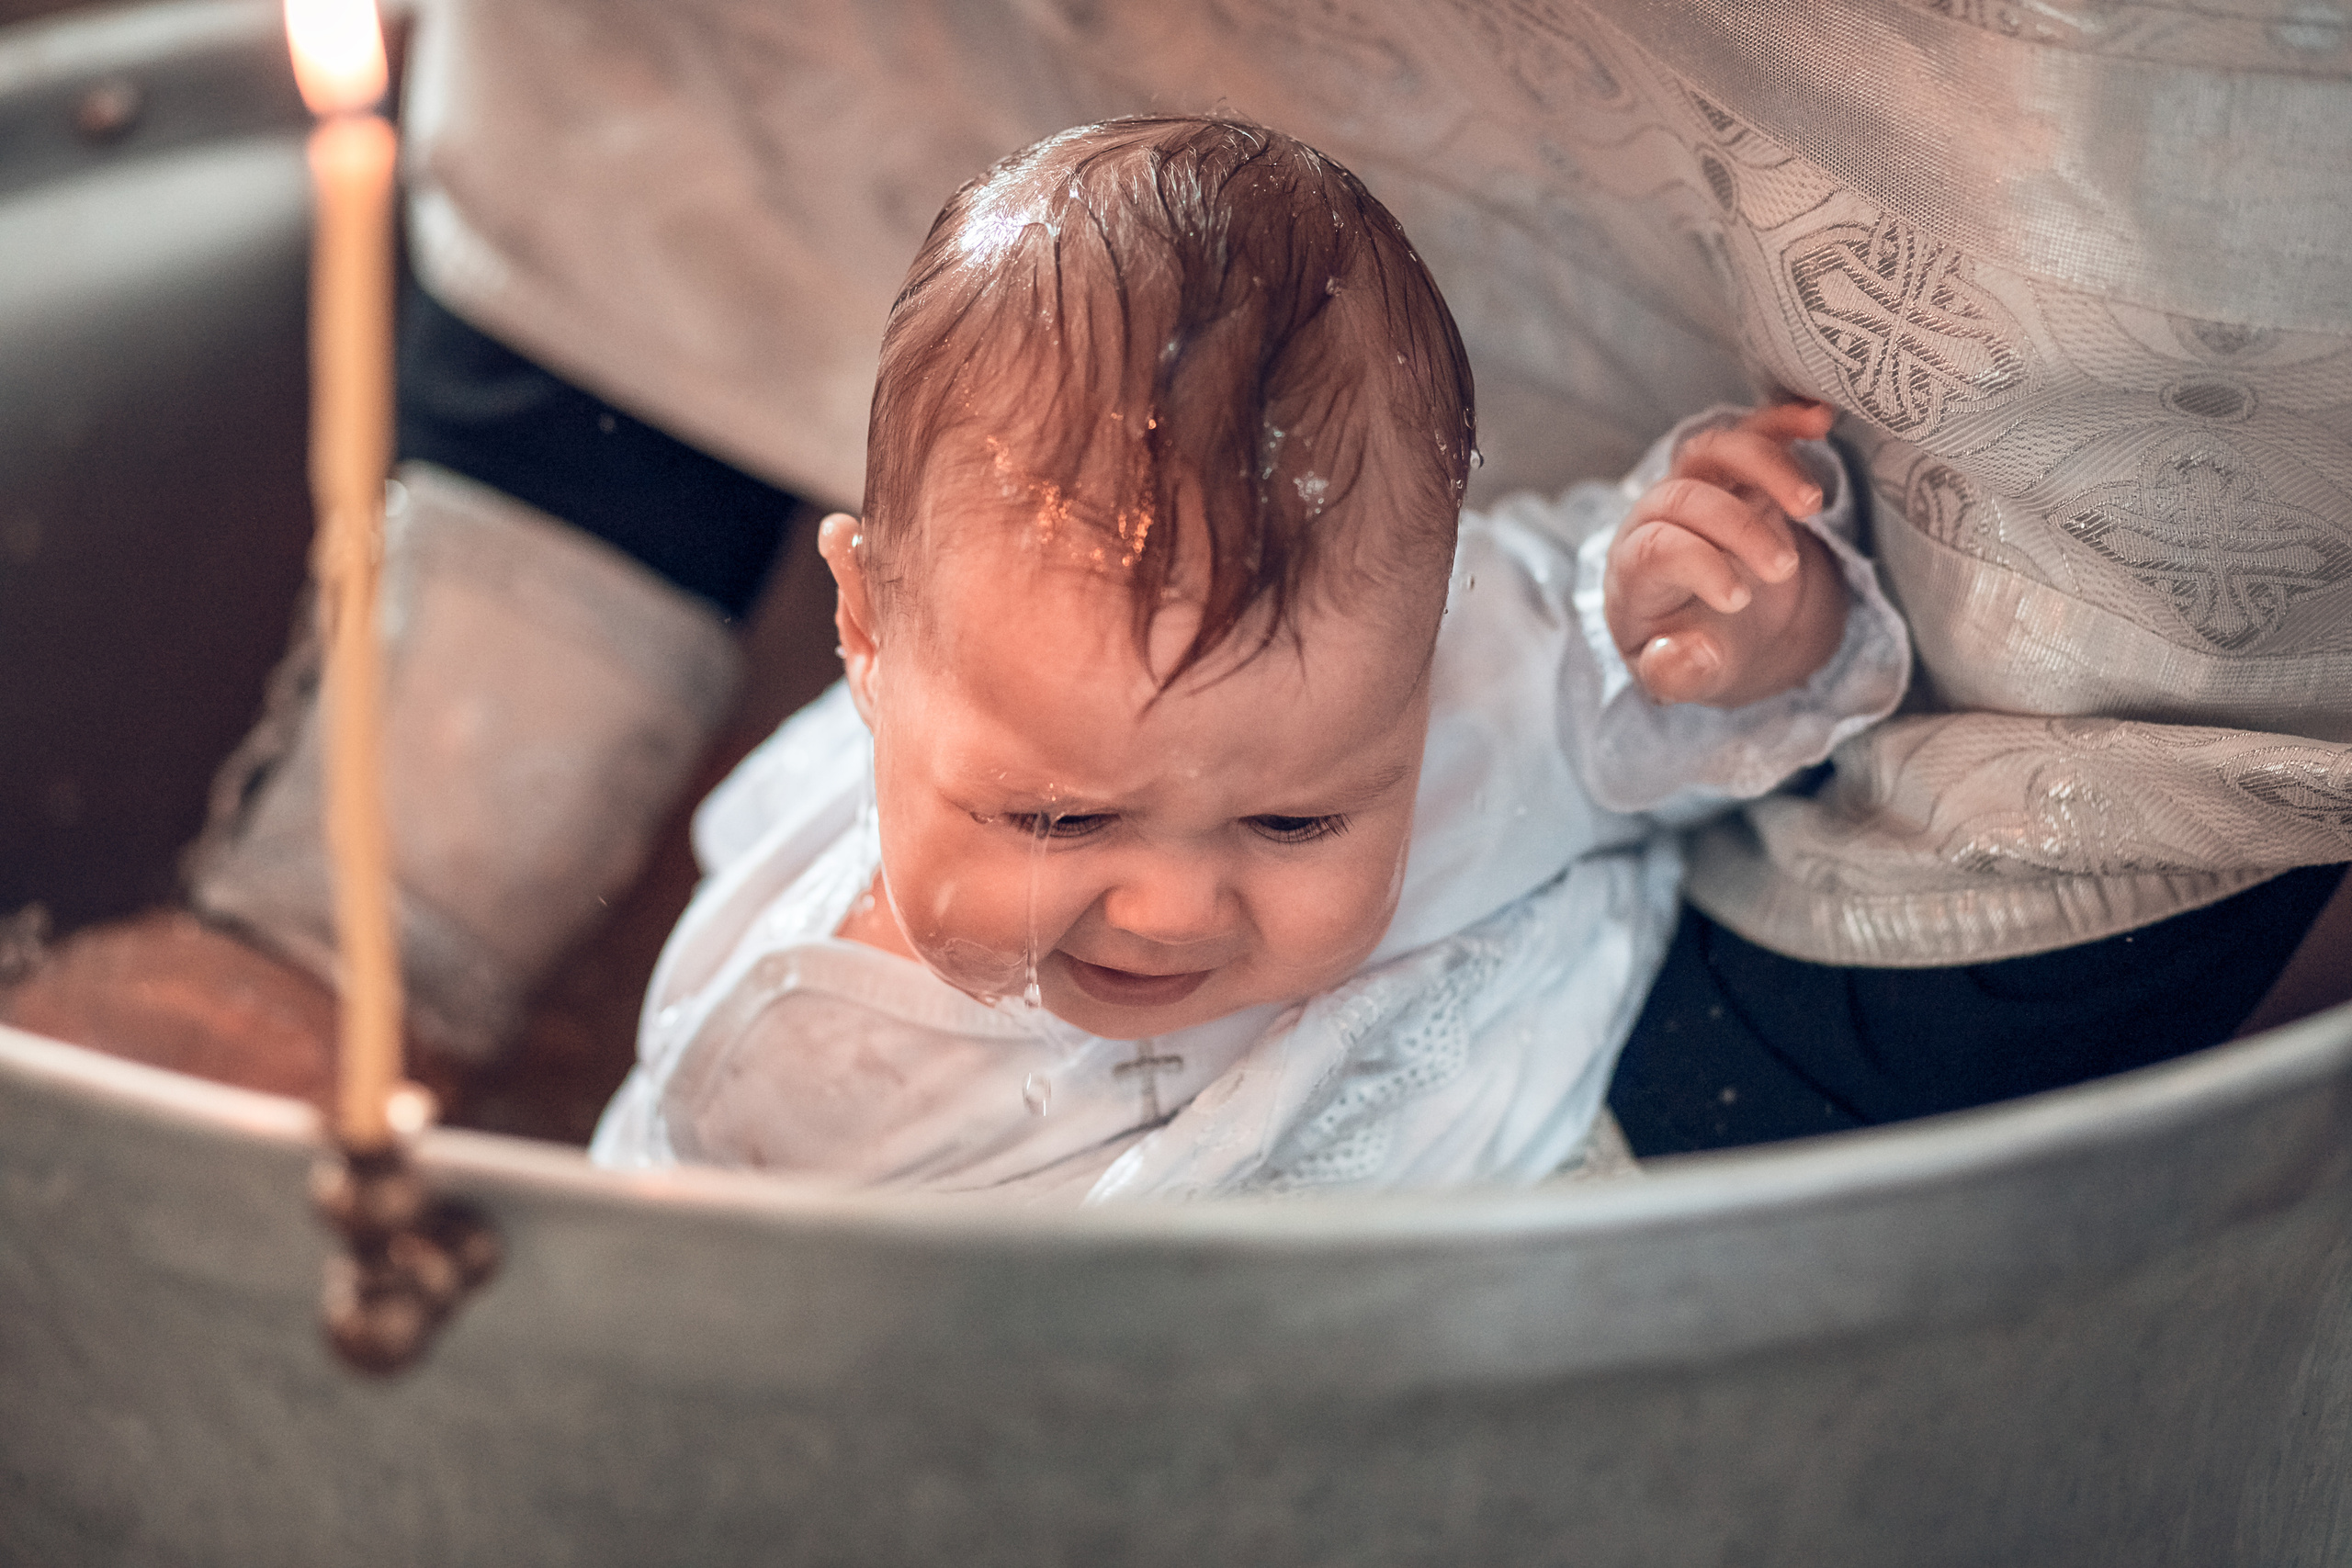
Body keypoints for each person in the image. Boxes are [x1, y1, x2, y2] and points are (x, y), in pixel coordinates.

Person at [587, 118, 1909, 1199]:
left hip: (1546, 1190)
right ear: (868, 633)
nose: (1172, 911)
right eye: (1059, 816)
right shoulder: (789, 1046)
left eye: (1292, 820)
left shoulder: (1437, 671)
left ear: (1426, 629)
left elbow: (1631, 647)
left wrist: (1735, 614)